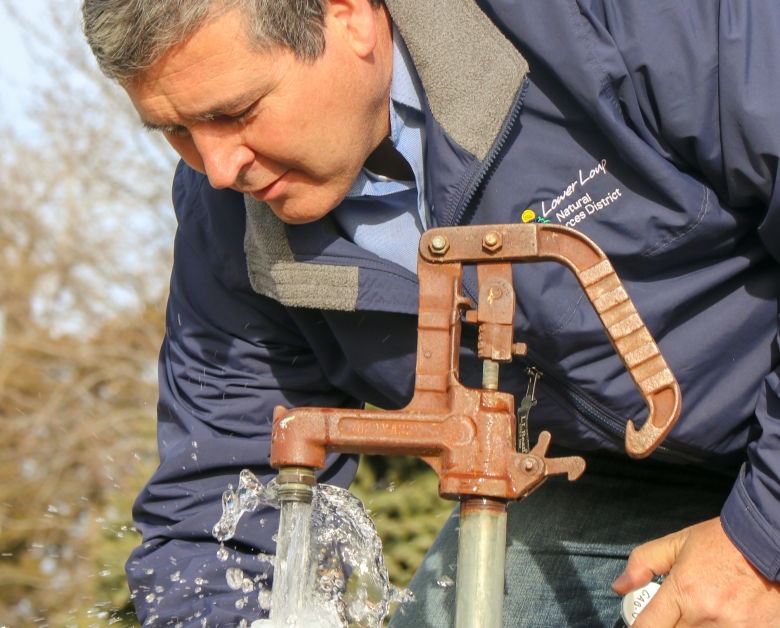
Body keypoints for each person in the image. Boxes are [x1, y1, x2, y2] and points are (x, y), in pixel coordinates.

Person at [81, 0, 780, 626]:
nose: (218, 167)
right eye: (174, 131)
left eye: (233, 113)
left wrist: (759, 543)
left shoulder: (615, 20)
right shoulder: (226, 218)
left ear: (347, 16)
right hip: (615, 477)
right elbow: (219, 503)